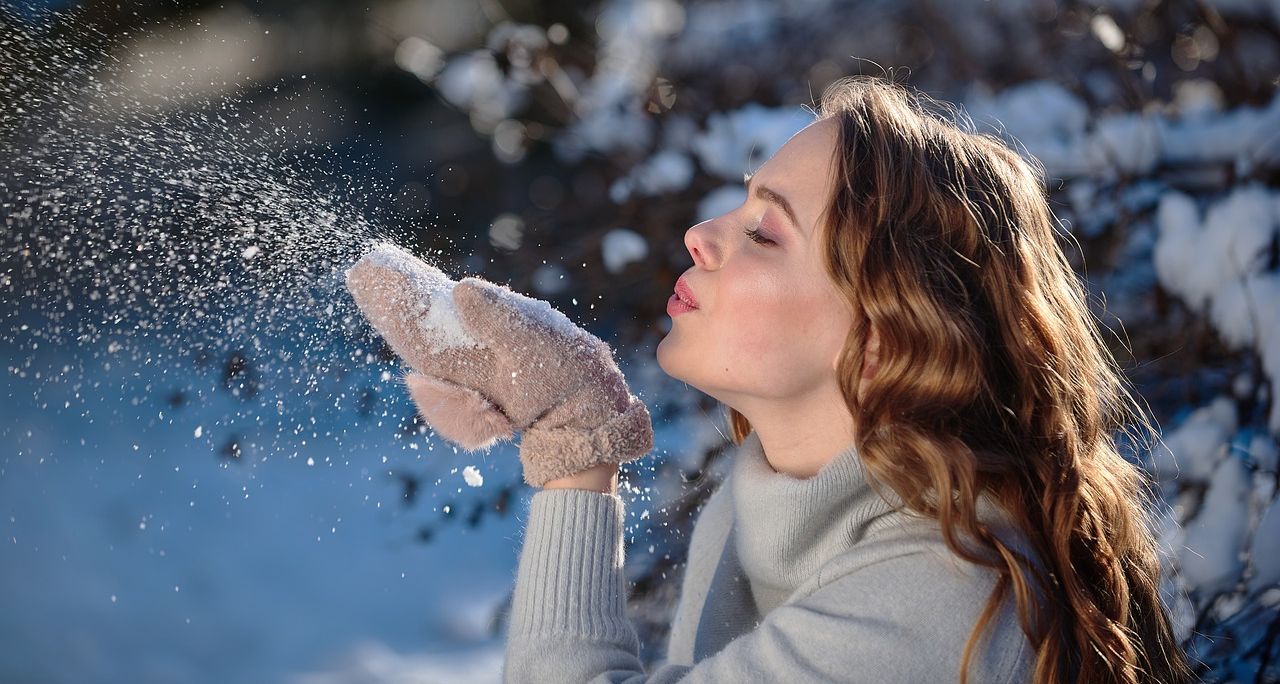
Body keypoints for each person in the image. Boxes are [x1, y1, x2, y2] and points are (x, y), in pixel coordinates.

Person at [345, 75, 1194, 683]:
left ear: (882, 336)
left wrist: (575, 446)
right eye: (741, 205)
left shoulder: (941, 601)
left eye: (765, 233)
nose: (702, 235)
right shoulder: (761, 507)